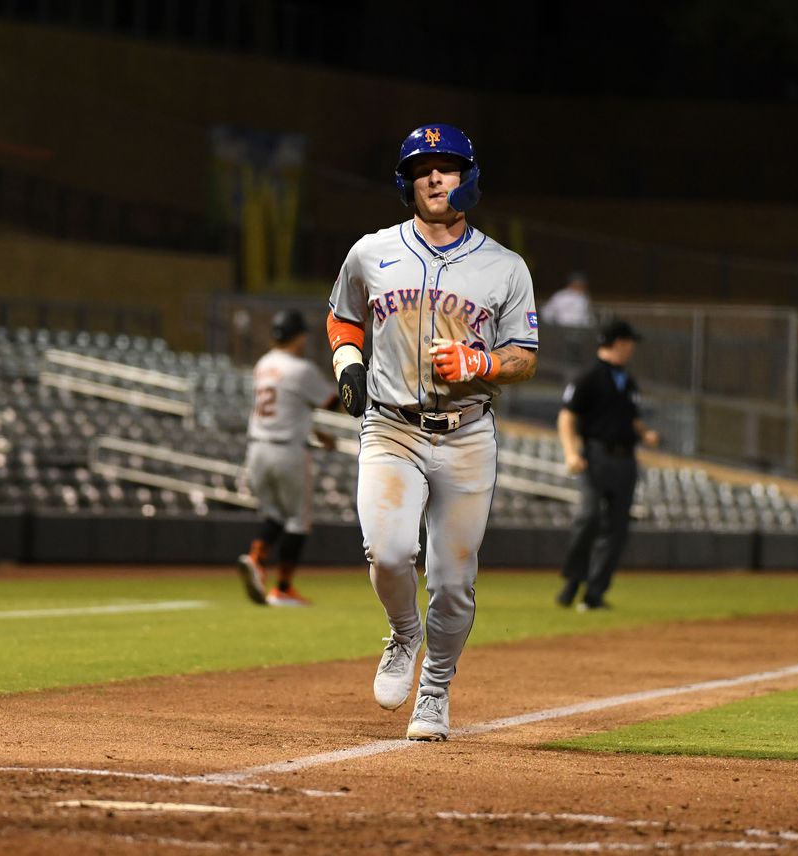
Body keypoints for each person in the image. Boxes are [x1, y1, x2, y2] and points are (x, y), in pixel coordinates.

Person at [326, 123, 538, 741]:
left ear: (467, 176)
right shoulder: (371, 252)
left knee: (453, 581)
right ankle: (403, 633)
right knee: (389, 553)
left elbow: (525, 356)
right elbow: (343, 316)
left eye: (445, 166)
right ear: (407, 183)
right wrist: (349, 366)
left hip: (467, 434)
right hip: (390, 427)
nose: (434, 177)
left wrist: (484, 363)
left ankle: (435, 691)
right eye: (422, 169)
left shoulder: (504, 266)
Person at [236, 308, 338, 607]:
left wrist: (314, 428)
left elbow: (289, 406)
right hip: (288, 451)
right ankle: (282, 588)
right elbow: (333, 402)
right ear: (299, 336)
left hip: (257, 449)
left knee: (275, 515)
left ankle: (255, 559)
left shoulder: (263, 364)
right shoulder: (300, 369)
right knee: (297, 521)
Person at [555, 320, 659, 611]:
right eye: (629, 342)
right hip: (596, 455)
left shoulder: (627, 381)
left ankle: (595, 594)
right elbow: (566, 417)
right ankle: (574, 579)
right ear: (619, 343)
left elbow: (632, 416)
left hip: (626, 458)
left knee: (617, 527)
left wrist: (645, 433)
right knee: (589, 517)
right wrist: (571, 453)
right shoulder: (588, 377)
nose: (632, 348)